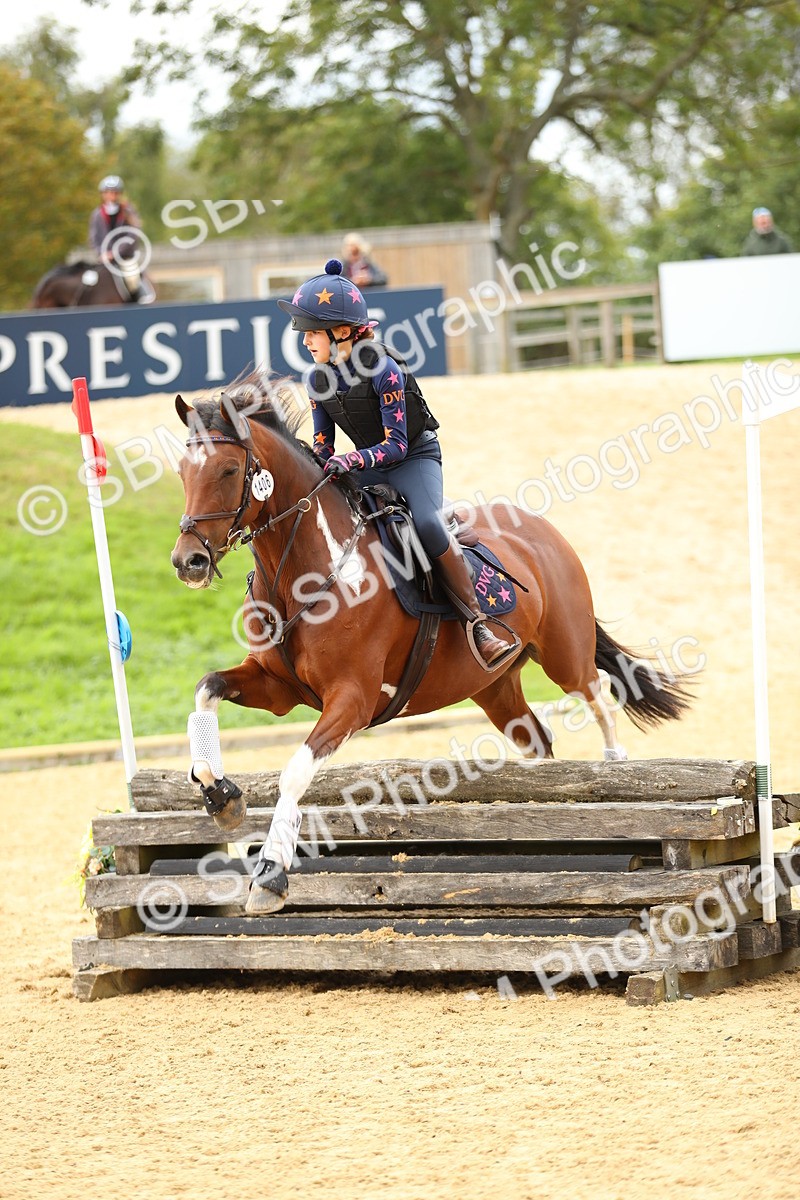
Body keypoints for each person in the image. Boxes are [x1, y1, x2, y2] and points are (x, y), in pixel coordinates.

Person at [277, 258, 508, 667]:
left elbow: (397, 446)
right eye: (304, 333)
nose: (305, 341)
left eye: (312, 331)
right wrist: (311, 470)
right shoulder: (316, 380)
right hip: (366, 466)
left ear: (342, 331)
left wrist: (351, 459)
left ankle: (478, 624)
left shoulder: (383, 370)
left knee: (428, 525)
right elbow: (323, 445)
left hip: (412, 458)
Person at [88, 175, 147, 301]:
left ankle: (139, 298)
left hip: (125, 257)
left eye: (114, 192)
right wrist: (102, 253)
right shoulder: (97, 214)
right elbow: (94, 238)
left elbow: (133, 234)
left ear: (119, 194)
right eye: (108, 192)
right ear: (103, 194)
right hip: (104, 258)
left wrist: (115, 253)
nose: (111, 196)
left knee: (132, 278)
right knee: (89, 279)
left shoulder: (128, 211)